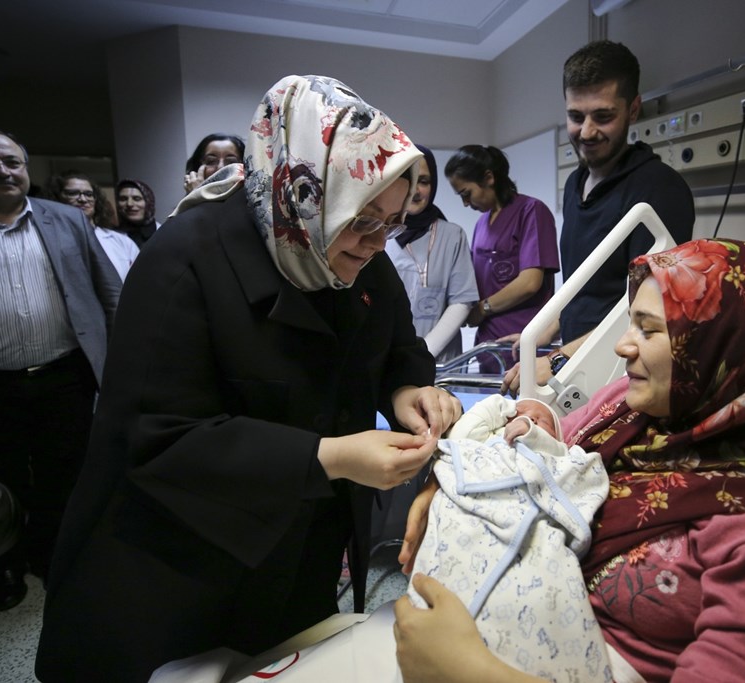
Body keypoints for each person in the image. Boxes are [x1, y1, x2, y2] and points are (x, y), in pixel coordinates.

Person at [35, 74, 462, 683]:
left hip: (300, 541)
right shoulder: (185, 258)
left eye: (392, 222)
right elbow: (158, 437)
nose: (376, 244)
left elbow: (395, 346)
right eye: (362, 220)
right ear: (304, 190)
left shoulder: (357, 254)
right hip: (181, 552)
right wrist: (328, 456)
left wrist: (407, 390)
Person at [396, 239, 745, 682]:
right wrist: (448, 487)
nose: (623, 346)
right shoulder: (634, 411)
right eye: (632, 322)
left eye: (651, 329)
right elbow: (551, 453)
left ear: (730, 352)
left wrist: (472, 672)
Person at [0, 126, 121, 610]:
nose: (2, 170)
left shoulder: (65, 219)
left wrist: (119, 369)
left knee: (63, 477)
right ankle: (4, 563)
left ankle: (53, 559)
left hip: (66, 378)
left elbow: (110, 294)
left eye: (12, 162)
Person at [502, 40, 695, 394]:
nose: (587, 132)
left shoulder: (659, 191)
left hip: (621, 374)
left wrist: (559, 360)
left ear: (633, 109)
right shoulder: (576, 183)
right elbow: (586, 288)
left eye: (603, 116)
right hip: (577, 366)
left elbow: (646, 311)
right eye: (576, 116)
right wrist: (541, 332)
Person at [407, 393, 611, 681]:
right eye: (514, 414)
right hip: (468, 509)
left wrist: (534, 435)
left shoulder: (551, 454)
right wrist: (499, 408)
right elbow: (462, 436)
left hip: (525, 513)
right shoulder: (484, 445)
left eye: (541, 419)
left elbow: (562, 461)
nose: (522, 418)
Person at [444, 145, 559, 374]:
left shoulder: (531, 211)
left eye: (467, 194)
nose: (466, 203)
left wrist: (483, 309)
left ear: (488, 178)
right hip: (489, 347)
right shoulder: (481, 224)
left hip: (523, 340)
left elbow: (530, 282)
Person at [385, 145, 478, 363]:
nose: (416, 190)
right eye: (409, 179)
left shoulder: (452, 236)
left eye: (424, 181)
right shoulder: (378, 232)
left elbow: (462, 302)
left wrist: (424, 352)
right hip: (387, 359)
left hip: (440, 363)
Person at [44, 170, 140, 281]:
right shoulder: (50, 240)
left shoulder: (121, 241)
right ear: (57, 198)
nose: (83, 199)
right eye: (73, 193)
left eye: (89, 194)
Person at [115, 177, 160, 246]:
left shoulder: (163, 232)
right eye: (123, 199)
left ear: (149, 202)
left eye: (137, 199)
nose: (129, 204)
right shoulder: (112, 237)